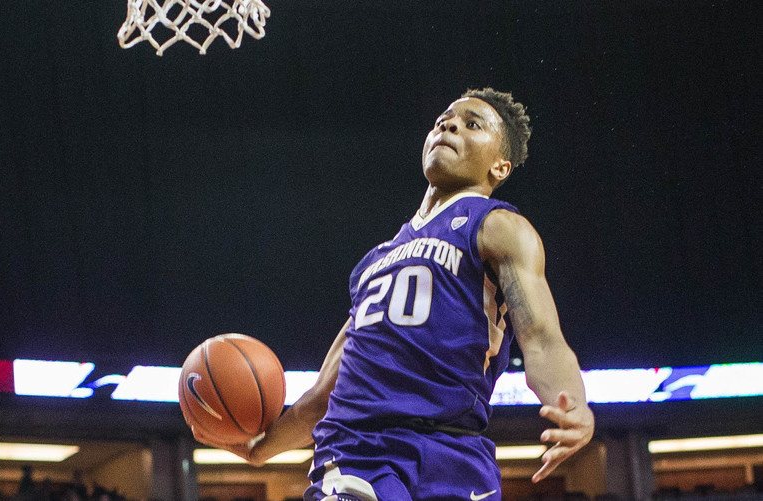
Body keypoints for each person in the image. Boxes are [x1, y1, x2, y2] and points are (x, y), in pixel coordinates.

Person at [193, 88, 595, 500]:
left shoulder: (499, 228)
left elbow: (543, 340)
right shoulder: (375, 262)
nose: (449, 124)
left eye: (472, 124)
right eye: (443, 120)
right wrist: (263, 449)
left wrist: (573, 402)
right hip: (358, 452)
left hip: (456, 453)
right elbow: (324, 394)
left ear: (500, 166)